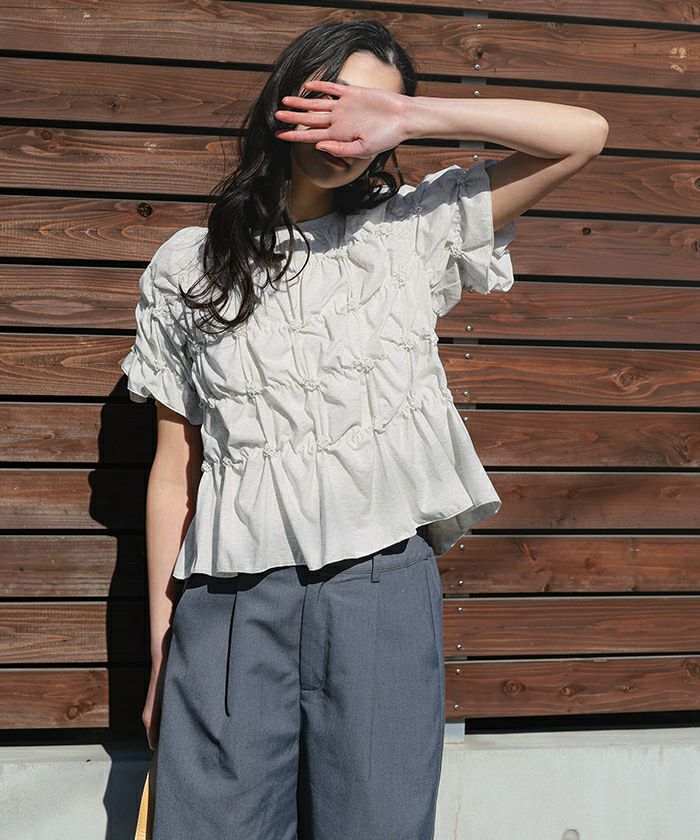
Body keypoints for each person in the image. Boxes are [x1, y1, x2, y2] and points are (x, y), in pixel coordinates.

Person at [120, 18, 608, 840]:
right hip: (229, 607)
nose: (349, 129)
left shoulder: (415, 229)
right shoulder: (188, 268)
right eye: (336, 100)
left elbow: (584, 135)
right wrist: (165, 645)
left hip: (381, 592)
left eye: (374, 113)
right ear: (287, 99)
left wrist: (413, 116)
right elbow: (176, 470)